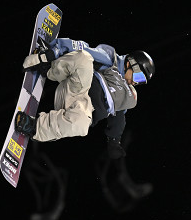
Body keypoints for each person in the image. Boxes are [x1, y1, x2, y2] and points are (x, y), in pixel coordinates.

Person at [15, 38, 155, 160]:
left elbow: (119, 118)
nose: (137, 82)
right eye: (139, 77)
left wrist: (114, 141)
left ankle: (33, 127)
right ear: (130, 63)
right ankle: (46, 66)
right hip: (76, 89)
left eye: (142, 82)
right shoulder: (111, 59)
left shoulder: (128, 95)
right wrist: (54, 51)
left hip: (82, 110)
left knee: (82, 126)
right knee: (85, 58)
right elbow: (82, 48)